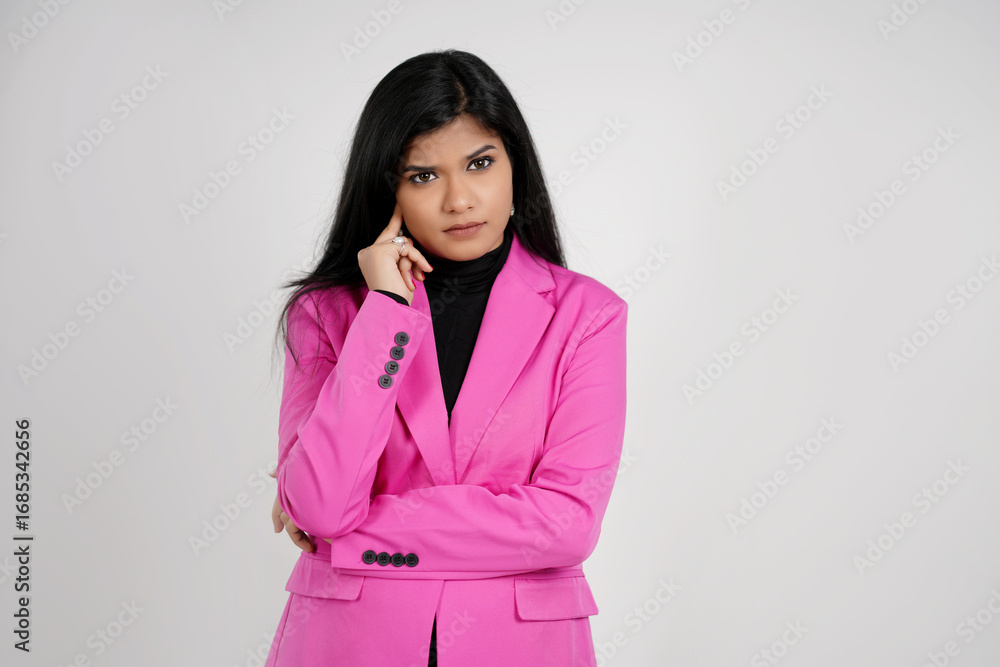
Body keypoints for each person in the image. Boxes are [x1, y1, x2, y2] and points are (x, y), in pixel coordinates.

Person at [263, 49, 628, 666]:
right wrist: (384, 310)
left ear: (515, 167)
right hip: (349, 644)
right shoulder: (326, 314)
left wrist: (349, 534)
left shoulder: (588, 315)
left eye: (480, 163)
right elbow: (321, 503)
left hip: (522, 646)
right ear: (387, 188)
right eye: (423, 175)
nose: (459, 199)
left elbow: (566, 525)